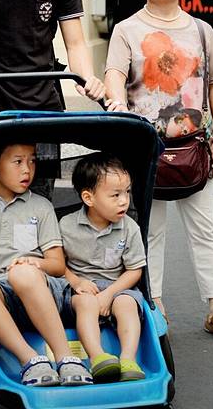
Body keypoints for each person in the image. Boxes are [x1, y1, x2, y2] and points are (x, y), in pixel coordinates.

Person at [105, 0, 213, 343]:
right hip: (143, 149)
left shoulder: (202, 31)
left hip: (194, 148)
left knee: (204, 229)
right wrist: (116, 103)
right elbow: (115, 75)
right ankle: (155, 305)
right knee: (150, 231)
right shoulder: (127, 30)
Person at [0, 139, 93, 387]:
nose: (27, 170)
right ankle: (31, 360)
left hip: (41, 288)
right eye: (18, 162)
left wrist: (35, 263)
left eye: (32, 161)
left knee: (22, 273)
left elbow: (57, 265)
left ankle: (66, 358)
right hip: (1, 296)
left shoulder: (41, 206)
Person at [60, 153, 147, 382]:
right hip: (80, 288)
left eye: (127, 192)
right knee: (86, 302)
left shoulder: (129, 228)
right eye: (115, 195)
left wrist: (109, 294)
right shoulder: (66, 225)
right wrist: (77, 282)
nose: (124, 201)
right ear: (88, 198)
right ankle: (98, 357)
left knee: (127, 304)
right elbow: (58, 264)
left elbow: (134, 270)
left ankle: (128, 359)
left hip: (117, 286)